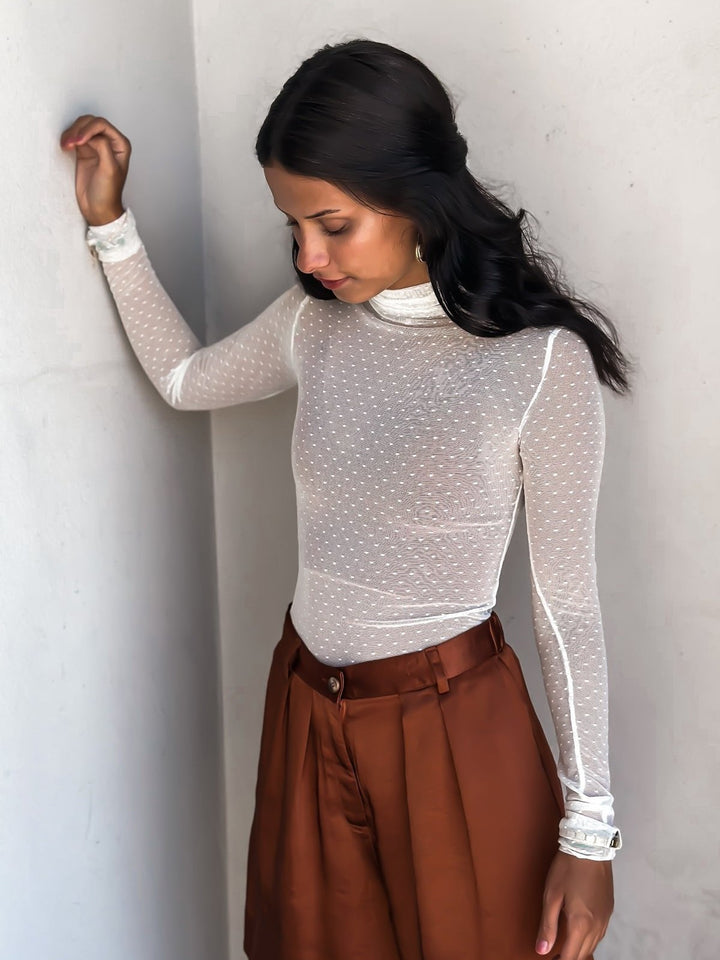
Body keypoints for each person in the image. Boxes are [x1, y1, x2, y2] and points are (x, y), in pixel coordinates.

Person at [60, 37, 633, 960]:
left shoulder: (538, 365)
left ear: (415, 194)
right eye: (293, 228)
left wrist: (589, 833)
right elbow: (183, 379)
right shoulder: (312, 324)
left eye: (332, 223)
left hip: (454, 731)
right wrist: (111, 225)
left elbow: (568, 607)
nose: (310, 256)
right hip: (306, 712)